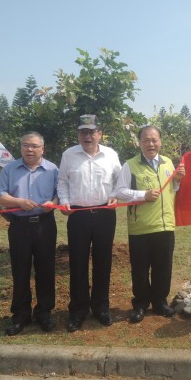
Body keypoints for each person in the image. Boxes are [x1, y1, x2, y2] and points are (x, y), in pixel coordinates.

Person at [57, 114, 121, 332]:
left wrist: (114, 196)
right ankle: (78, 310)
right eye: (83, 132)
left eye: (91, 132)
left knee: (103, 262)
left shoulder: (111, 155)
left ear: (99, 134)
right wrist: (64, 203)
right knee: (78, 263)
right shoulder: (69, 155)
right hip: (78, 216)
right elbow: (62, 182)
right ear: (78, 135)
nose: (87, 136)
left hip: (105, 214)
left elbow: (118, 182)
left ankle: (101, 308)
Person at [115, 126, 186, 323]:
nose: (151, 144)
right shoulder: (130, 165)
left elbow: (173, 188)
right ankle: (140, 305)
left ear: (160, 142)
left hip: (165, 225)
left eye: (154, 140)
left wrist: (178, 179)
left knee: (163, 267)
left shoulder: (168, 163)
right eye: (146, 140)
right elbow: (119, 191)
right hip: (141, 227)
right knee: (139, 269)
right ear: (139, 143)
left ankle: (160, 302)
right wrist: (142, 195)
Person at [0, 132, 59, 335]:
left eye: (33, 146)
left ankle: (44, 313)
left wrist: (53, 204)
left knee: (46, 269)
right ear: (20, 148)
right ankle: (21, 315)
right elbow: (0, 196)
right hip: (19, 226)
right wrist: (19, 202)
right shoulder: (10, 169)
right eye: (25, 146)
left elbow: (60, 193)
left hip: (45, 224)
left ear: (42, 149)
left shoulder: (52, 169)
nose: (29, 150)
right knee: (20, 271)